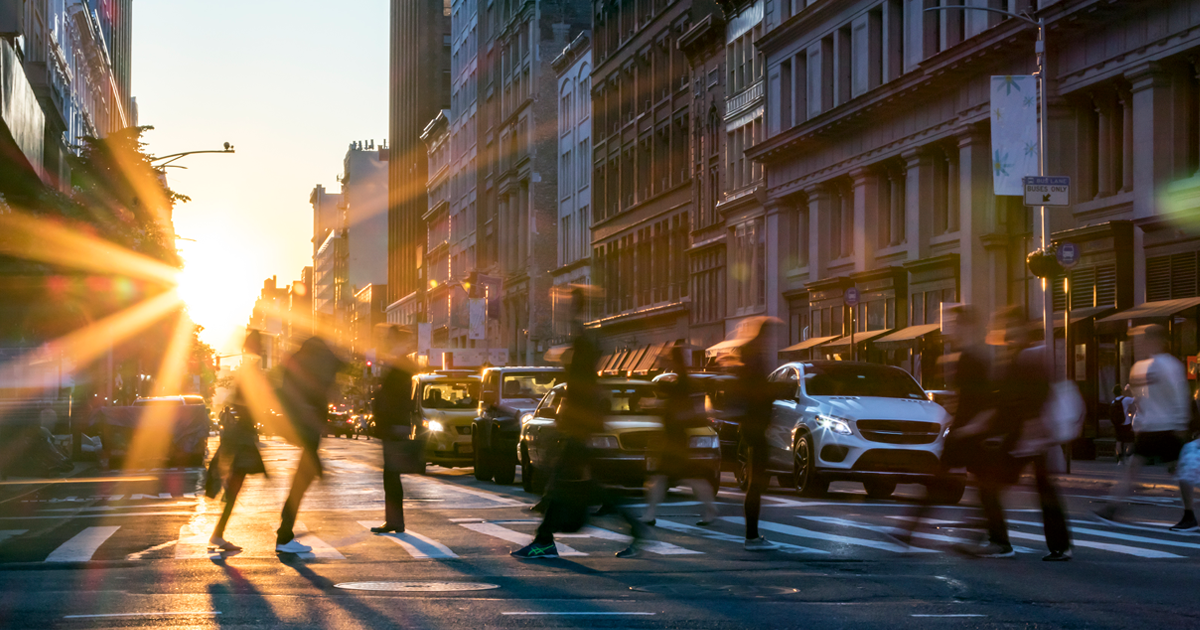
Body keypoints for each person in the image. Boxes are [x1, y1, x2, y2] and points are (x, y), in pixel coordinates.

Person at [512, 288, 649, 559]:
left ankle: (545, 539)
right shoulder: (586, 351)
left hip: (579, 429)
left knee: (568, 482)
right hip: (579, 428)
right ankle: (635, 530)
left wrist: (574, 308)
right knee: (587, 485)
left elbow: (581, 389)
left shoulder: (584, 353)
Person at [897, 305, 992, 546]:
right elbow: (963, 396)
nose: (953, 328)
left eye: (957, 323)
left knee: (972, 486)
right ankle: (909, 530)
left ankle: (908, 530)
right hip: (965, 430)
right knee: (971, 486)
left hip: (969, 431)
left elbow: (982, 398)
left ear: (968, 326)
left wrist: (972, 426)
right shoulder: (967, 356)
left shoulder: (975, 358)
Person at [1095, 324, 1197, 532]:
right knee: (1136, 467)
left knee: (1180, 471)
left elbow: (1179, 395)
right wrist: (1140, 424)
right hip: (1152, 427)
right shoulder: (1139, 367)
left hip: (1168, 426)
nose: (1139, 344)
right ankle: (1113, 507)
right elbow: (1139, 399)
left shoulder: (1170, 365)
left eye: (1143, 340)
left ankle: (1189, 515)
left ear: (1157, 341)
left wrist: (1180, 423)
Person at [275, 336, 345, 554]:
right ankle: (284, 535)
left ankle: (285, 532)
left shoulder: (299, 364)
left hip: (304, 429)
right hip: (308, 430)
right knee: (300, 482)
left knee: (301, 480)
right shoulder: (313, 369)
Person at [641, 344, 718, 527]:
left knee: (667, 476)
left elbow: (673, 397)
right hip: (675, 437)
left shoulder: (681, 381)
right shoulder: (681, 380)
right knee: (684, 476)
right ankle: (651, 513)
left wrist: (655, 402)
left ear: (675, 361)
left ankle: (650, 513)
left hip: (675, 439)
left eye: (670, 360)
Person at [207, 331, 269, 552]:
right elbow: (248, 403)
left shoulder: (249, 369)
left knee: (233, 487)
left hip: (241, 437)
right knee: (233, 487)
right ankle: (217, 534)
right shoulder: (251, 371)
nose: (262, 348)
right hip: (241, 438)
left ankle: (218, 533)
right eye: (259, 344)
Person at [730, 316, 783, 551]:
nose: (773, 341)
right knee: (756, 483)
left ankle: (752, 534)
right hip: (755, 427)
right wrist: (778, 390)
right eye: (771, 335)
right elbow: (757, 393)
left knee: (756, 482)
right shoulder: (754, 360)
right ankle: (751, 536)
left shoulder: (749, 356)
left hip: (752, 426)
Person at [371, 326, 419, 534]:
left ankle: (395, 521)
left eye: (389, 338)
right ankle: (394, 520)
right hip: (393, 424)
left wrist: (396, 422)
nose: (386, 342)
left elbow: (398, 398)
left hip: (394, 425)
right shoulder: (398, 364)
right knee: (391, 474)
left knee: (391, 474)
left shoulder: (401, 365)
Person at [1109, 385, 1134, 463]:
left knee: (1119, 441)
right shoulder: (1126, 399)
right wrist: (1130, 390)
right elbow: (1136, 399)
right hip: (1126, 423)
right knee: (1130, 440)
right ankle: (1128, 455)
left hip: (1117, 424)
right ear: (1120, 391)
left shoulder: (1113, 402)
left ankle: (1119, 459)